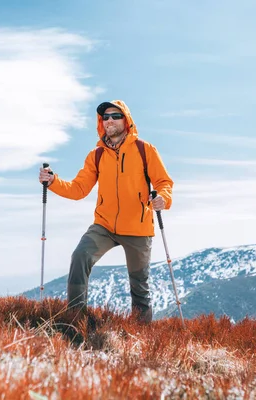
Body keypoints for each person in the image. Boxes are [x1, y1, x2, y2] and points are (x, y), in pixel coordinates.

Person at [39, 100, 173, 323]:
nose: (109, 120)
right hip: (104, 225)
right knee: (80, 256)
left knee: (139, 285)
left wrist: (163, 199)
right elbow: (78, 189)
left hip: (138, 227)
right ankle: (75, 320)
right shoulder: (97, 155)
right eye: (105, 117)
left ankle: (142, 336)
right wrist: (53, 181)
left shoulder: (144, 150)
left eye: (115, 115)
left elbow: (164, 182)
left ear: (126, 120)